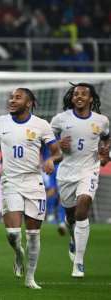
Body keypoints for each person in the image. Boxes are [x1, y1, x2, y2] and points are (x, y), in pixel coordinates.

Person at [0, 88, 62, 289]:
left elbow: (57, 152)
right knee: (12, 233)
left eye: (17, 98)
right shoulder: (0, 123)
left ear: (28, 103)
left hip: (33, 183)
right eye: (11, 97)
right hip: (10, 182)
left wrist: (50, 160)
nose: (12, 100)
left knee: (33, 234)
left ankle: (30, 278)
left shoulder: (41, 125)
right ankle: (18, 253)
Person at [50, 82, 109, 278]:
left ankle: (79, 262)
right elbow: (45, 142)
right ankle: (73, 236)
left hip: (89, 170)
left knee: (83, 206)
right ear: (72, 97)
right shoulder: (60, 120)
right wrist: (58, 145)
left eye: (84, 94)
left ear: (91, 98)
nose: (79, 97)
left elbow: (106, 139)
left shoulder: (101, 121)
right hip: (66, 172)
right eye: (76, 94)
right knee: (71, 216)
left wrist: (105, 153)